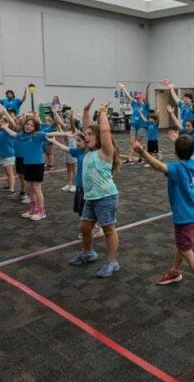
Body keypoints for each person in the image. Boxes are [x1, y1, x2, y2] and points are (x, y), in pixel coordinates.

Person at [132, 133, 194, 302]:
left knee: (186, 249)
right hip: (189, 212)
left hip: (184, 215)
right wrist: (178, 141)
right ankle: (175, 271)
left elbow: (159, 166)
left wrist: (142, 153)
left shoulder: (177, 169)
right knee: (182, 244)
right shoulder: (192, 163)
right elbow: (186, 151)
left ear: (175, 152)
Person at [68, 99, 122, 278]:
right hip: (90, 198)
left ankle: (112, 261)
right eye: (86, 134)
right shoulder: (88, 152)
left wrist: (103, 112)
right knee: (84, 228)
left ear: (99, 138)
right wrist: (85, 110)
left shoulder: (105, 152)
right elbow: (86, 128)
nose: (86, 136)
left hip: (106, 197)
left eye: (90, 134)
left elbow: (105, 130)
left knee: (108, 230)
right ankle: (88, 252)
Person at [118, 83, 150, 164]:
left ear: (142, 98)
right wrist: (123, 88)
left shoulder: (146, 106)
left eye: (139, 98)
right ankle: (134, 158)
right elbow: (129, 96)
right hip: (134, 124)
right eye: (137, 98)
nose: (137, 99)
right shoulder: (135, 104)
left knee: (137, 142)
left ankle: (136, 158)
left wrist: (147, 89)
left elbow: (147, 97)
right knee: (132, 142)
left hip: (142, 126)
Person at [0, 109, 16, 197]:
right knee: (7, 172)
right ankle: (9, 185)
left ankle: (12, 189)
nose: (0, 123)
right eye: (1, 121)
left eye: (2, 122)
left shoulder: (8, 130)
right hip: (4, 154)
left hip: (9, 154)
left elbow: (10, 123)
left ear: (7, 123)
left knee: (10, 173)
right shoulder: (1, 130)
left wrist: (4, 115)